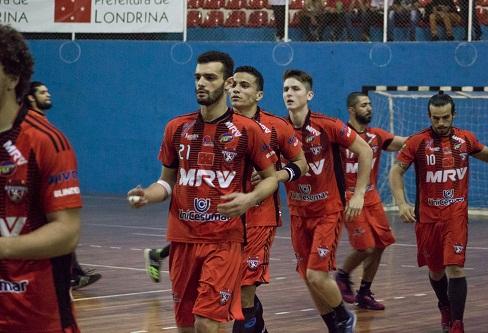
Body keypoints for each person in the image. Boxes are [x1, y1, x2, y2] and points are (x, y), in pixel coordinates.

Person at [128, 51, 278, 333]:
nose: (201, 83)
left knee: (207, 323)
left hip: (225, 240)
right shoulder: (177, 128)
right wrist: (147, 195)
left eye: (210, 77)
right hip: (182, 239)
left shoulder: (248, 130)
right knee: (185, 325)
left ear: (228, 82)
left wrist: (250, 198)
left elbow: (271, 179)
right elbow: (166, 183)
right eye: (198, 77)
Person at [389, 92, 488, 333]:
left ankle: (457, 324)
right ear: (429, 116)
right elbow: (396, 172)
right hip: (427, 219)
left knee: (455, 267)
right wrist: (402, 203)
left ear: (453, 115)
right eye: (436, 118)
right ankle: (444, 306)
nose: (441, 123)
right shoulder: (418, 141)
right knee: (436, 271)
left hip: (455, 216)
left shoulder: (465, 139)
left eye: (445, 117)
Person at [0, 24, 81, 332]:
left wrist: (4, 247)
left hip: (37, 317)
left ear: (12, 76)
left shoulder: (45, 141)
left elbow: (67, 233)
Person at [282, 70, 373, 333]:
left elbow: (365, 150)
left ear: (309, 94)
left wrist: (358, 194)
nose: (289, 93)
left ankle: (345, 318)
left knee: (315, 274)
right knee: (308, 278)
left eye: (296, 89)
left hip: (327, 211)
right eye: (286, 89)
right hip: (298, 212)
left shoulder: (327, 125)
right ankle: (334, 326)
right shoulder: (279, 129)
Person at [228, 66, 308, 333]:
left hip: (260, 218)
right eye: (234, 84)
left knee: (245, 288)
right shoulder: (215, 125)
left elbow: (301, 164)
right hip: (223, 219)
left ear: (259, 94)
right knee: (228, 286)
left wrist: (277, 175)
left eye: (245, 85)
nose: (237, 89)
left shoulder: (276, 127)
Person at [24, 81, 102, 290]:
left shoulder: (45, 129)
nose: (48, 95)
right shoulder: (26, 129)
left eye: (48, 91)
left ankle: (73, 274)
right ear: (30, 97)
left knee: (61, 228)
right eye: (42, 92)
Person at [335, 92, 406, 310]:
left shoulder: (376, 136)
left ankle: (364, 293)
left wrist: (431, 136)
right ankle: (342, 276)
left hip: (372, 198)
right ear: (351, 110)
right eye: (364, 105)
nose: (369, 108)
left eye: (370, 105)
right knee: (365, 247)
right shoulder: (339, 135)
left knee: (381, 245)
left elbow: (405, 143)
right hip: (349, 198)